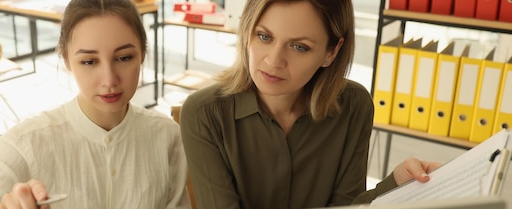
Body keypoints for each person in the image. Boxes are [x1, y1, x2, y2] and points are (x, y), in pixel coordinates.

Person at [179, 0, 441, 208]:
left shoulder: (354, 105)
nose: (273, 61)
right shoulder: (204, 113)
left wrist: (397, 182)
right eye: (264, 37)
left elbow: (346, 206)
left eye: (299, 47)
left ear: (332, 52)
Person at [0, 0, 190, 208]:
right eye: (88, 61)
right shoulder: (25, 145)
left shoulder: (168, 137)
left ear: (143, 54)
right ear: (66, 59)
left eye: (124, 58)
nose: (109, 80)